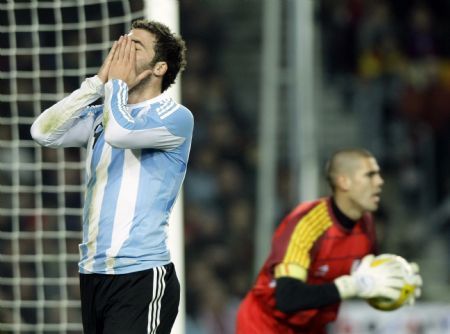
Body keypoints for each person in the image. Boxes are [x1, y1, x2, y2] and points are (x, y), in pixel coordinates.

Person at [30, 20, 193, 334]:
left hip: (141, 277)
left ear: (159, 67)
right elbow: (43, 133)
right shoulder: (101, 116)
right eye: (122, 42)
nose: (121, 51)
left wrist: (114, 85)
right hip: (93, 275)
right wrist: (96, 83)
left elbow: (121, 132)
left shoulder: (175, 117)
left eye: (135, 46)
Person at [236, 148, 422, 334]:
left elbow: (365, 282)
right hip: (265, 325)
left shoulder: (367, 226)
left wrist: (398, 286)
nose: (380, 182)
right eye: (370, 175)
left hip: (313, 327)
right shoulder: (308, 223)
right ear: (344, 181)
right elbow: (287, 297)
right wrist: (351, 286)